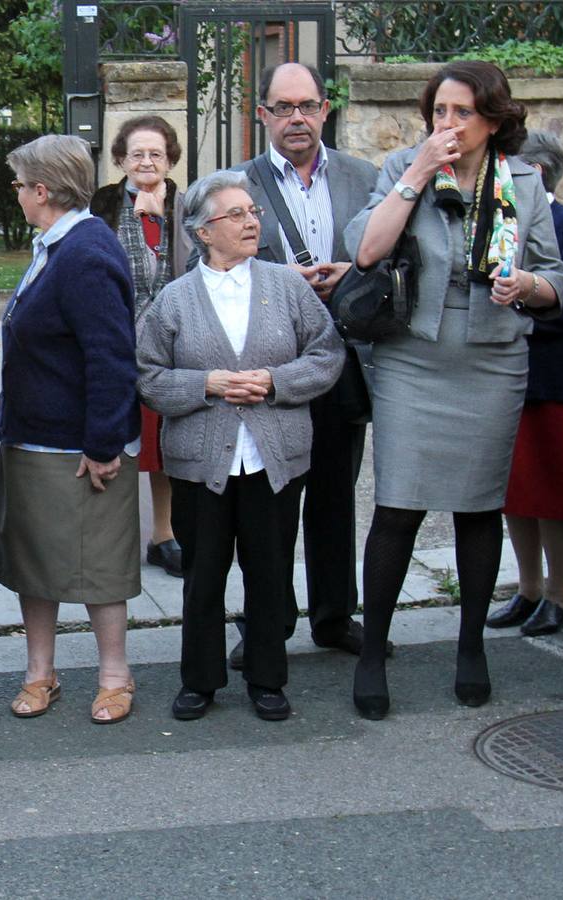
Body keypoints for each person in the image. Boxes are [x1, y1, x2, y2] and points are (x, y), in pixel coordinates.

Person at [344, 60, 563, 719]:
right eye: (438, 112)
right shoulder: (399, 170)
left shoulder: (522, 183)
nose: (446, 124)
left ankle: (470, 644)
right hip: (412, 358)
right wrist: (414, 174)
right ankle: (372, 650)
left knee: (476, 508)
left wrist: (526, 286)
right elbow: (363, 250)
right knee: (398, 506)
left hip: (491, 361)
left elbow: (557, 280)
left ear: (492, 120)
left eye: (461, 112)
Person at [137, 169, 344, 722]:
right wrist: (206, 384)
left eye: (252, 212)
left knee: (270, 570)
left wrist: (275, 382)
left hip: (274, 459)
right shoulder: (174, 301)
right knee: (203, 574)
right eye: (237, 214)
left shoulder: (287, 285)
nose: (252, 221)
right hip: (200, 462)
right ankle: (200, 680)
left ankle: (267, 677)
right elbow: (148, 377)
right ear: (204, 231)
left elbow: (327, 356)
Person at [234, 60, 383, 665]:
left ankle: (333, 616)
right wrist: (280, 279)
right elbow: (210, 270)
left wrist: (354, 271)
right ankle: (264, 625)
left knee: (334, 497)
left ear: (326, 110)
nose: (297, 117)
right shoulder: (235, 187)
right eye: (284, 107)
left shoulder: (364, 178)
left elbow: (390, 256)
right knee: (268, 506)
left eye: (308, 105)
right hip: (271, 368)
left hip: (344, 361)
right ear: (263, 115)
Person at [0, 134, 142, 725]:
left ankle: (114, 677)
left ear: (43, 190)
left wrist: (104, 443)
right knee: (35, 564)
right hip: (33, 438)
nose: (17, 194)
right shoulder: (54, 245)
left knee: (99, 567)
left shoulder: (86, 252)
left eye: (20, 184)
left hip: (81, 448)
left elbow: (111, 356)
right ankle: (40, 674)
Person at [487, 131, 563, 636]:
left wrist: (514, 310)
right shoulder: (503, 222)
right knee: (516, 494)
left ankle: (560, 593)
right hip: (509, 378)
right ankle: (528, 588)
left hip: (555, 382)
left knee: (553, 495)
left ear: (539, 174)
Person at [90, 115, 189, 578]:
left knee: (164, 444)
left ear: (170, 159)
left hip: (174, 342)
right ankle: (115, 538)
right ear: (120, 160)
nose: (147, 161)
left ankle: (164, 536)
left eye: (156, 153)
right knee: (118, 439)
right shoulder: (104, 204)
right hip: (115, 336)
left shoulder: (189, 206)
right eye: (136, 154)